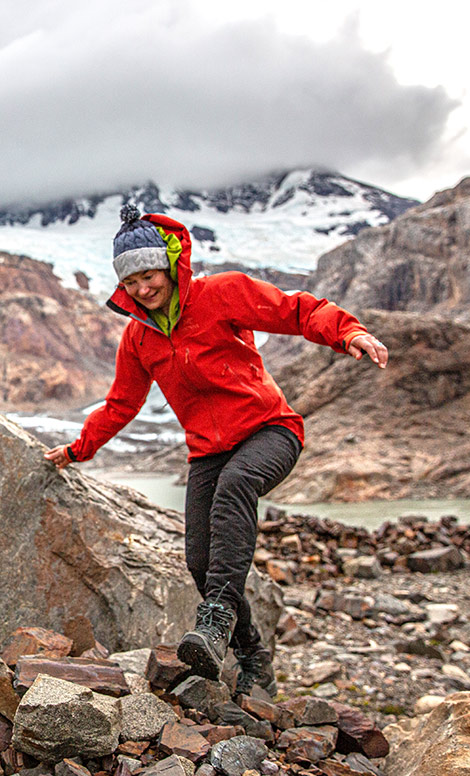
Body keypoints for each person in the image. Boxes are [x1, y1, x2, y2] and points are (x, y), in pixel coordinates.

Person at [45, 204, 388, 697]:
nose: (144, 288)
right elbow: (121, 403)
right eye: (132, 281)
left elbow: (296, 310)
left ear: (168, 264)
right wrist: (79, 449)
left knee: (237, 485)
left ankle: (216, 620)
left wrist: (347, 331)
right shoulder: (138, 337)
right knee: (199, 562)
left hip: (270, 431)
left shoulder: (220, 294)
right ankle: (252, 658)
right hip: (207, 452)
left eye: (149, 274)